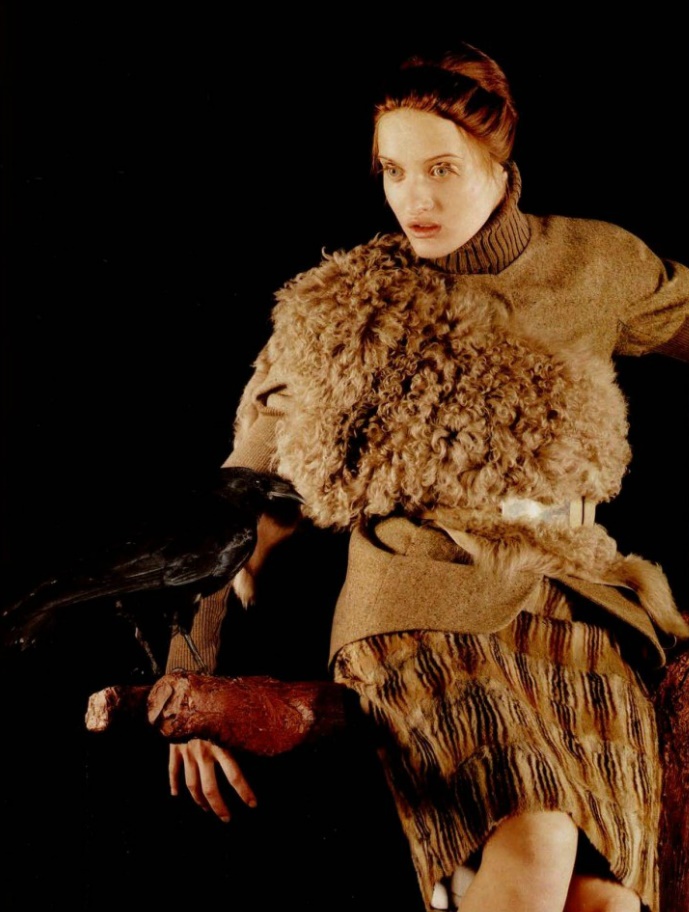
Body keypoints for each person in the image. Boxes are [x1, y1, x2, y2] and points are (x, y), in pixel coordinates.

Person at [163, 43, 689, 912]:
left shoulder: (597, 264)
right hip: (420, 605)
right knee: (539, 834)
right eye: (394, 171)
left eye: (440, 168)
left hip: (580, 613)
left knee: (607, 903)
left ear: (499, 165)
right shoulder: (341, 310)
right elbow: (233, 499)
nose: (415, 198)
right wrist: (185, 680)